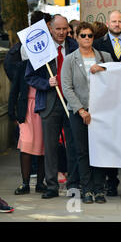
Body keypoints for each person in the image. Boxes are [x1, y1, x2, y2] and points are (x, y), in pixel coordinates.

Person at [25, 14, 80, 199]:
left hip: (72, 103)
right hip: (49, 103)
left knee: (73, 145)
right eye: (58, 29)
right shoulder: (40, 47)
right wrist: (46, 83)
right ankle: (51, 186)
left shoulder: (74, 46)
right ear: (50, 28)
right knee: (50, 147)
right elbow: (29, 76)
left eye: (65, 29)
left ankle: (74, 184)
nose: (62, 32)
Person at [61, 22, 114, 204]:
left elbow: (116, 77)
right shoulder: (70, 59)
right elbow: (66, 87)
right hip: (79, 112)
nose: (86, 39)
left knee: (99, 150)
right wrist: (81, 110)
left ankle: (99, 189)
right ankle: (87, 189)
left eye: (90, 35)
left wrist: (104, 69)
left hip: (101, 112)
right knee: (82, 151)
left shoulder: (104, 56)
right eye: (82, 35)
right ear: (76, 37)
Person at [93, 10, 121, 197]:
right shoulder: (96, 44)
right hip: (107, 100)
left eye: (120, 21)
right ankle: (111, 181)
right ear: (108, 23)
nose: (117, 24)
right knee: (108, 141)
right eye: (114, 21)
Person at [8, 47, 46, 195]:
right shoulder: (22, 66)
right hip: (26, 110)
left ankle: (40, 183)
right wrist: (12, 112)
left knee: (43, 146)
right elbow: (14, 90)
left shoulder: (47, 66)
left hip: (43, 107)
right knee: (26, 145)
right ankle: (25, 183)